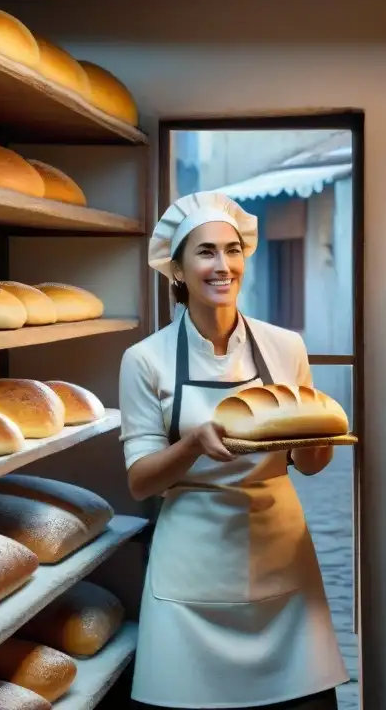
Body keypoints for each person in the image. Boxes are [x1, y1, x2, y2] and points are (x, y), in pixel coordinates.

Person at [119, 191, 349, 709]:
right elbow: (140, 481)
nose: (222, 266)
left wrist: (319, 436)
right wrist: (193, 445)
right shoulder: (145, 360)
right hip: (191, 559)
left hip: (280, 551)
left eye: (232, 249)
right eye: (204, 252)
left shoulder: (285, 346)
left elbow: (311, 466)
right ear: (176, 269)